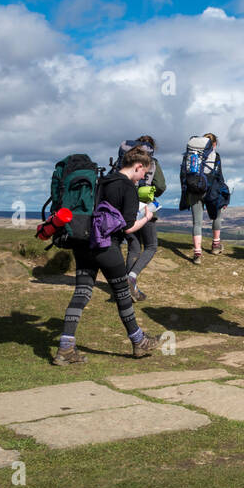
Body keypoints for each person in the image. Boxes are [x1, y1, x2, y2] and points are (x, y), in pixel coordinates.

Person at [54, 146, 162, 365]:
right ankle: (139, 342)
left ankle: (65, 349)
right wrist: (147, 216)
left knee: (82, 293)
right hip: (106, 247)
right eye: (144, 173)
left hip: (84, 244)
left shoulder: (101, 180)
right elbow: (129, 227)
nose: (143, 178)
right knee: (123, 295)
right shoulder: (127, 188)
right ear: (138, 166)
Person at [120, 134, 166, 301]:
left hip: (125, 206)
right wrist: (150, 192)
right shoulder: (153, 162)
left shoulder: (126, 159)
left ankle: (127, 289)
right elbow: (161, 185)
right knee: (151, 246)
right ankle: (132, 276)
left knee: (133, 246)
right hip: (146, 206)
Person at [179, 133, 228, 264]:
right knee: (217, 216)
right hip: (212, 190)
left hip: (194, 190)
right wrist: (224, 195)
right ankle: (216, 246)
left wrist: (185, 192)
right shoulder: (215, 156)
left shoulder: (190, 156)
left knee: (197, 223)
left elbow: (183, 174)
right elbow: (219, 176)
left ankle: (197, 254)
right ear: (214, 144)